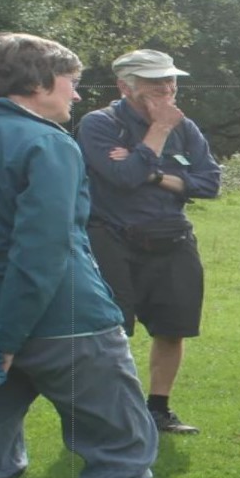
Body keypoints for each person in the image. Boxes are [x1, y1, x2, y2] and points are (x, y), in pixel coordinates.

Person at [0, 32, 158, 478]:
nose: (76, 97)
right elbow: (41, 251)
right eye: (72, 83)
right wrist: (6, 340)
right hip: (68, 327)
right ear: (36, 83)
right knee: (121, 451)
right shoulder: (48, 143)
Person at [78, 49, 221, 435]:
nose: (167, 88)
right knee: (112, 330)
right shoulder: (99, 124)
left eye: (170, 80)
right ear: (125, 87)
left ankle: (158, 410)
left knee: (173, 327)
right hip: (112, 238)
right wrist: (157, 134)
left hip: (172, 238)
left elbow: (210, 184)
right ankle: (107, 415)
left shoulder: (185, 128)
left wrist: (153, 173)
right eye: (155, 82)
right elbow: (120, 178)